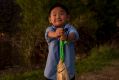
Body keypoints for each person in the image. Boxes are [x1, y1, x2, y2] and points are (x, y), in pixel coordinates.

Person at [44, 3, 79, 80]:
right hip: (51, 72)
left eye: (61, 13)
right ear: (50, 19)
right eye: (54, 14)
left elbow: (74, 35)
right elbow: (49, 34)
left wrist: (66, 37)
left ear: (68, 17)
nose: (58, 16)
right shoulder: (50, 29)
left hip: (68, 72)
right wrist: (56, 34)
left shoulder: (70, 28)